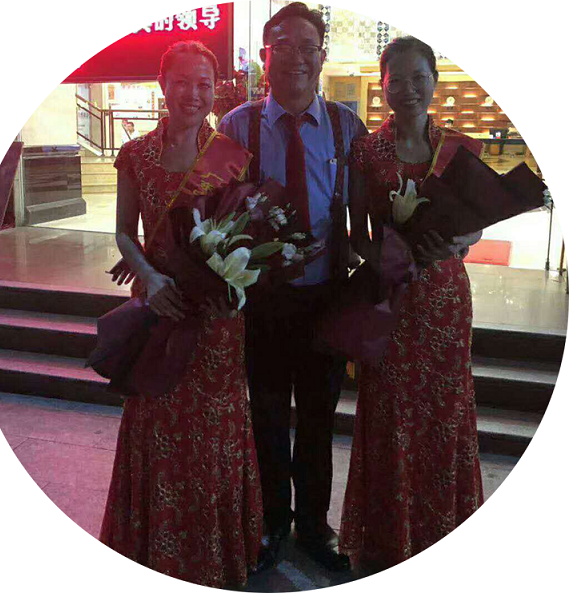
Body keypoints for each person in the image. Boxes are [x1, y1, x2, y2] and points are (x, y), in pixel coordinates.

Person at [99, 41, 264, 588]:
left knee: (214, 434)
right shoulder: (135, 156)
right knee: (158, 427)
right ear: (162, 84)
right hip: (160, 311)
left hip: (215, 325)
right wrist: (148, 278)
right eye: (182, 82)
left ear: (215, 90)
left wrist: (228, 286)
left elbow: (243, 237)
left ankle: (213, 556)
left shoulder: (232, 156)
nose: (193, 94)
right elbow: (125, 232)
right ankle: (155, 550)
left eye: (204, 84)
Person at [218, 2, 367, 572]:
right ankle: (271, 523)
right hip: (264, 302)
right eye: (284, 46)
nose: (297, 58)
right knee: (268, 415)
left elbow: (362, 216)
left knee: (319, 419)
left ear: (322, 57)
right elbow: (217, 215)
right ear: (265, 55)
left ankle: (313, 526)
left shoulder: (347, 128)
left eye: (309, 47)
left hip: (326, 296)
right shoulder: (237, 127)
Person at [339, 36, 484, 572]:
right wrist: (384, 257)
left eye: (418, 77)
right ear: (383, 86)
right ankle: (387, 538)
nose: (407, 88)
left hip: (445, 299)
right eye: (395, 79)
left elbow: (474, 223)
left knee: (444, 412)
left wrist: (460, 242)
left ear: (434, 82)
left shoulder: (457, 148)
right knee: (390, 412)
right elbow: (357, 233)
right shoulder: (366, 151)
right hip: (391, 300)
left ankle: (441, 531)